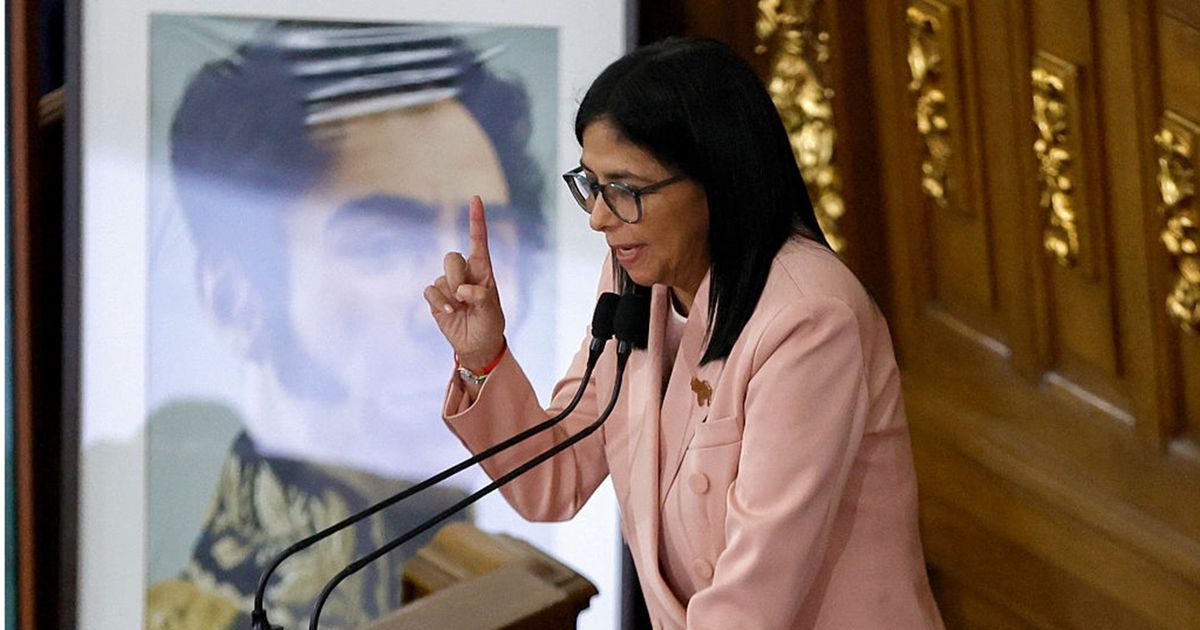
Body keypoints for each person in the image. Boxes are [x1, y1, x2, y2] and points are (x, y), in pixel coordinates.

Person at [425, 38, 944, 629]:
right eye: (592, 184)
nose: (599, 217)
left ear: (715, 181)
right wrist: (484, 358)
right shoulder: (634, 278)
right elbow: (553, 479)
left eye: (625, 190)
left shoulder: (810, 320)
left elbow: (750, 605)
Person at [146, 21, 547, 630]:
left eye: (488, 250)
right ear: (235, 301)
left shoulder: (526, 584)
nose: (459, 308)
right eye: (381, 249)